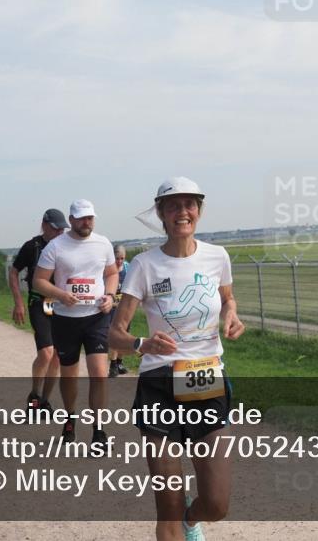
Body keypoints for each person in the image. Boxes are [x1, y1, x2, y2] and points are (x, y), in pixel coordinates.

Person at [109, 177, 245, 541]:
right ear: (161, 213)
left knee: (216, 504)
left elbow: (227, 298)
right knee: (166, 505)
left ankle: (191, 518)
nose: (182, 212)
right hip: (159, 386)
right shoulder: (144, 265)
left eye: (189, 204)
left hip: (207, 383)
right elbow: (115, 335)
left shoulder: (217, 257)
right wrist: (143, 344)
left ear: (199, 210)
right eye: (172, 206)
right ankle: (175, 519)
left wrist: (231, 314)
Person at [33, 199, 117, 446]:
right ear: (71, 220)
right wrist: (61, 295)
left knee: (99, 373)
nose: (86, 222)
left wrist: (110, 296)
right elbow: (39, 281)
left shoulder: (103, 243)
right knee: (69, 375)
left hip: (96, 317)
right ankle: (70, 418)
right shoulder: (56, 246)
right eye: (81, 218)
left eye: (90, 218)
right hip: (66, 320)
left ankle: (98, 430)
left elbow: (112, 273)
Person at [9, 208, 70, 410]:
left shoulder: (67, 246)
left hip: (61, 305)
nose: (60, 233)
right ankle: (34, 395)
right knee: (46, 353)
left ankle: (45, 400)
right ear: (44, 225)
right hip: (38, 303)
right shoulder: (32, 246)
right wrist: (18, 302)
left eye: (62, 229)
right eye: (56, 229)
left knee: (57, 356)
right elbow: (13, 272)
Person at [108, 244, 131, 377]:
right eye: (117, 258)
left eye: (122, 258)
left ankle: (120, 362)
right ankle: (113, 364)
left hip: (125, 308)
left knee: (125, 335)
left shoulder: (128, 268)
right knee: (114, 336)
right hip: (112, 308)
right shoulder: (108, 268)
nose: (119, 261)